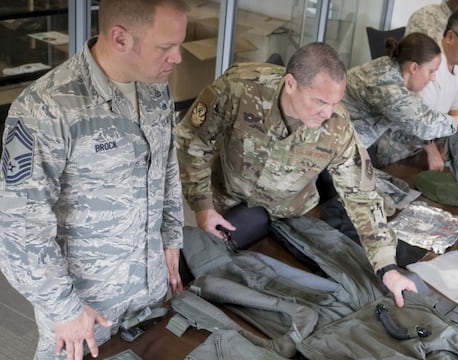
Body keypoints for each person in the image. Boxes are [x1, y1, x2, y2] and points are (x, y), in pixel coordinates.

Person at [0, 0, 188, 360]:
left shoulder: (155, 87)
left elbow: (168, 166)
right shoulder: (47, 107)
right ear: (120, 38)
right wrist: (65, 309)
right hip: (86, 309)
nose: (178, 58)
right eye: (166, 47)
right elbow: (17, 227)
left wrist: (171, 239)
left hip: (151, 289)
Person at [175, 42, 418, 308]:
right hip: (230, 211)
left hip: (292, 215)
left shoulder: (337, 125)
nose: (327, 113)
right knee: (213, 284)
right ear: (290, 84)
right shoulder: (240, 87)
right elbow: (192, 142)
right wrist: (202, 206)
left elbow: (362, 196)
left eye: (335, 102)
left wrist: (387, 268)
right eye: (320, 101)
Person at [376, 6, 458, 170]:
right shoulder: (429, 62)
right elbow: (413, 118)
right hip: (399, 149)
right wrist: (432, 151)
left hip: (424, 145)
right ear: (450, 37)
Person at [343, 32, 458, 164]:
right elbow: (424, 124)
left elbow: (410, 120)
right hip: (335, 153)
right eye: (431, 71)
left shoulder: (393, 71)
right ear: (414, 67)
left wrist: (430, 145)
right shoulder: (387, 83)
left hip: (348, 147)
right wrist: (455, 120)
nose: (433, 78)